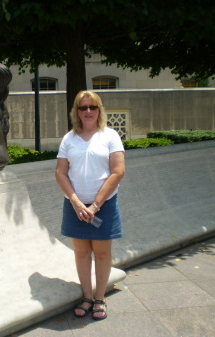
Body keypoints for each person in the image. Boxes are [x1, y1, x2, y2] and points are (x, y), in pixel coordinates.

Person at [55, 90, 125, 320]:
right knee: (82, 253)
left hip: (102, 205)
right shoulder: (69, 138)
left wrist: (94, 206)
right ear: (76, 111)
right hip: (75, 205)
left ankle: (100, 298)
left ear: (99, 110)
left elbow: (118, 171)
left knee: (102, 254)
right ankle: (86, 296)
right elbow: (61, 173)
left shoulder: (110, 136)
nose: (88, 111)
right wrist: (76, 202)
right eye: (83, 107)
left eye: (92, 107)